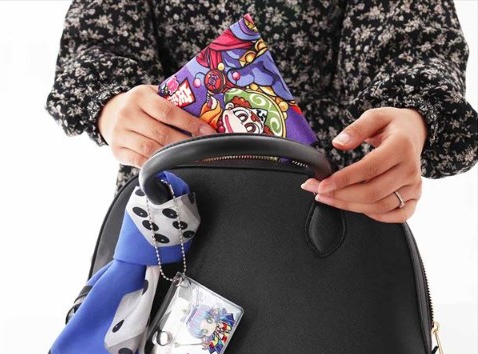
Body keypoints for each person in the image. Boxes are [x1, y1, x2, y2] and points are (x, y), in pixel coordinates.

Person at [46, 0, 477, 223]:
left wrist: (413, 115)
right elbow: (95, 43)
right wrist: (114, 105)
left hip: (334, 206)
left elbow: (411, 44)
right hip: (169, 207)